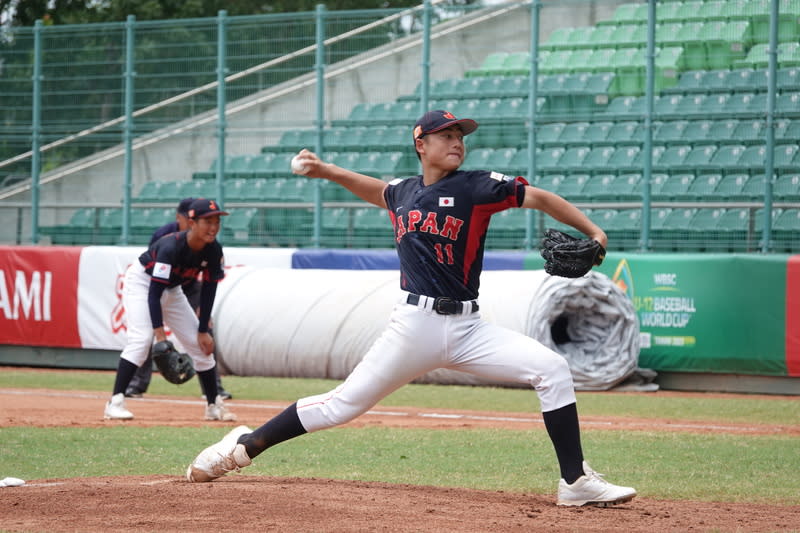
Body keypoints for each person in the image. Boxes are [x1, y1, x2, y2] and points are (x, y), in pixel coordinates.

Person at [186, 110, 636, 507]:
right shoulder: (402, 193)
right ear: (421, 144)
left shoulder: (477, 186)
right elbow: (377, 190)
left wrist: (596, 233)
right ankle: (241, 448)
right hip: (414, 327)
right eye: (446, 135)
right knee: (340, 407)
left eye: (461, 136)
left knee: (552, 369)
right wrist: (326, 171)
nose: (457, 141)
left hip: (470, 328)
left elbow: (540, 198)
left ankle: (575, 481)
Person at [104, 198, 236, 422]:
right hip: (142, 282)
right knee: (141, 339)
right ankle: (115, 402)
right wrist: (159, 335)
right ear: (192, 223)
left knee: (201, 345)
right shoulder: (170, 246)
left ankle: (213, 405)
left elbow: (209, 290)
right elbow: (154, 292)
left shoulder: (214, 250)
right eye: (207, 222)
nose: (213, 227)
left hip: (173, 290)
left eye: (216, 222)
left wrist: (203, 329)